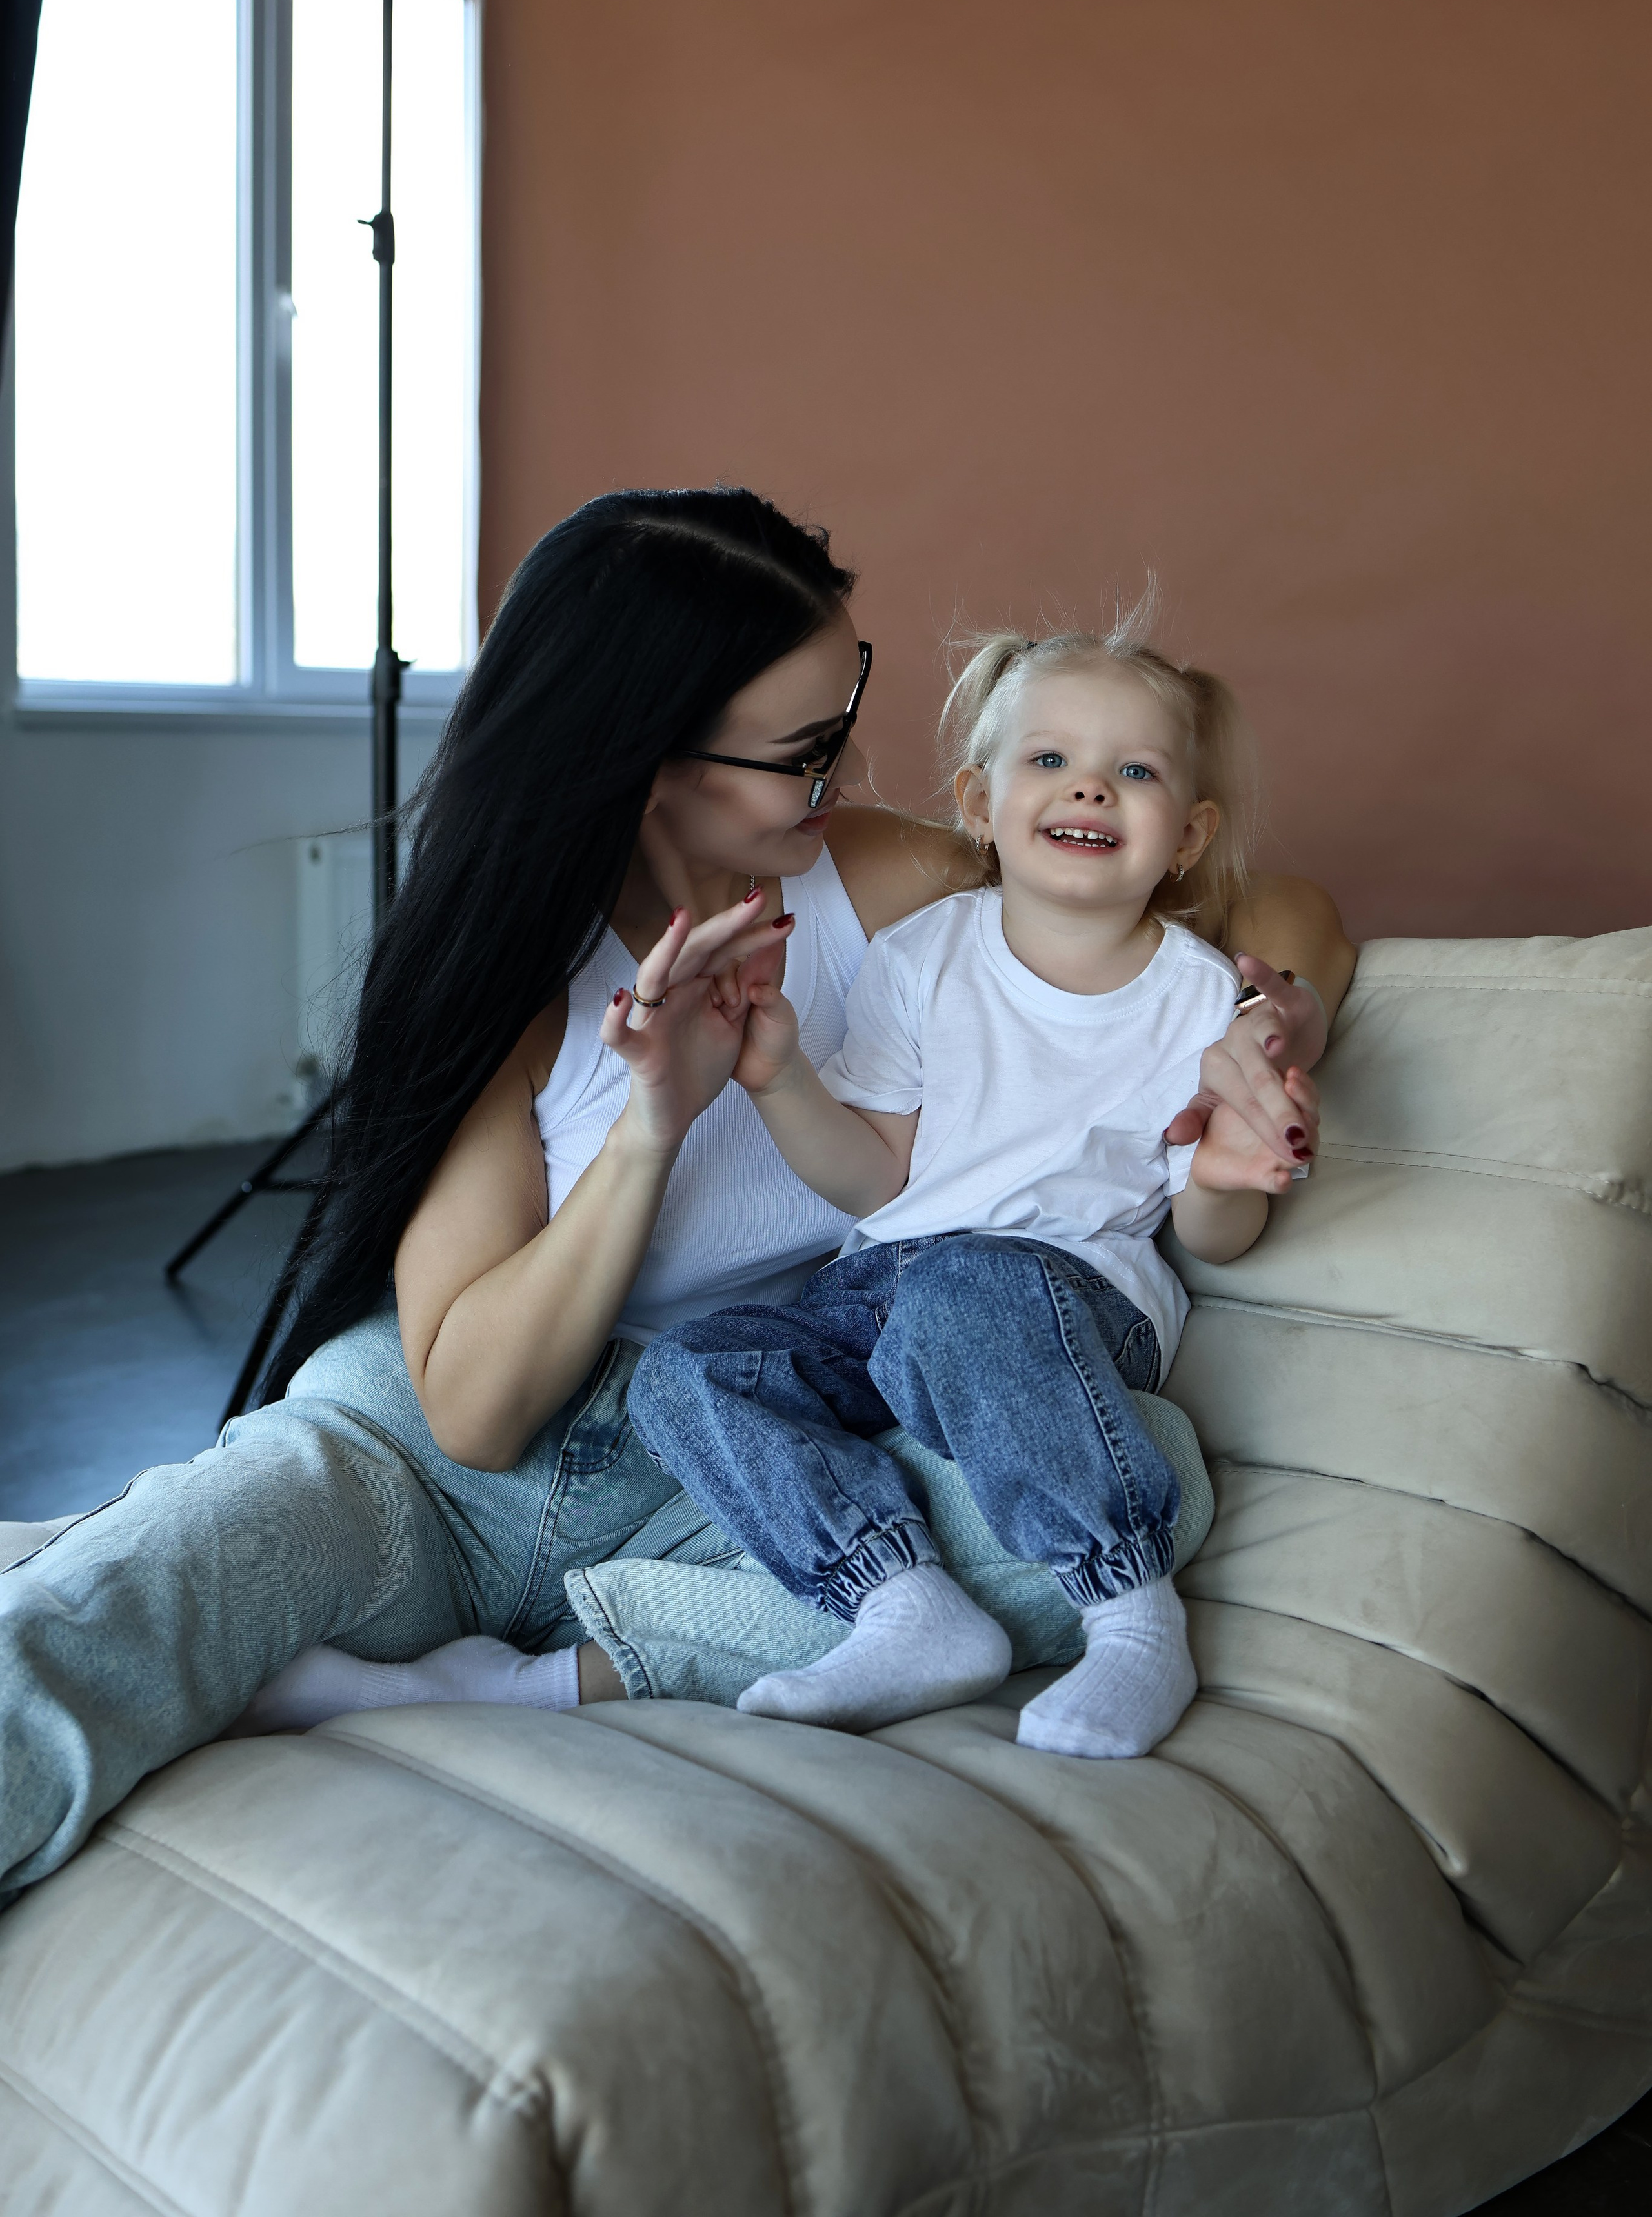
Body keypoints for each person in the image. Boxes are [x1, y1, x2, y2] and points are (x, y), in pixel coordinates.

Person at [0, 490, 1351, 1903]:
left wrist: (1274, 1027)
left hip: (734, 1483)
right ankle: (514, 1634)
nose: (846, 773)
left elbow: (1271, 910)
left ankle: (539, 1670)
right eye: (804, 751)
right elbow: (474, 1416)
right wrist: (656, 1123)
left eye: (844, 715)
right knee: (97, 1633)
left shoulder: (884, 888)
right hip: (431, 1474)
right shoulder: (514, 984)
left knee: (1140, 1480)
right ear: (649, 759)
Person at [624, 625, 1311, 1757]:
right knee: (689, 1369)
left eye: (1135, 771)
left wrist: (1231, 1181)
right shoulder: (921, 957)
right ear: (979, 803)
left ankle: (1131, 1614)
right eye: (1049, 759)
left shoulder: (1199, 1004)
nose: (1090, 785)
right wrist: (779, 1076)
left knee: (962, 1289)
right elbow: (876, 1176)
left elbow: (1214, 1235)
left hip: (1061, 1295)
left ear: (1188, 836)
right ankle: (902, 1602)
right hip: (880, 1292)